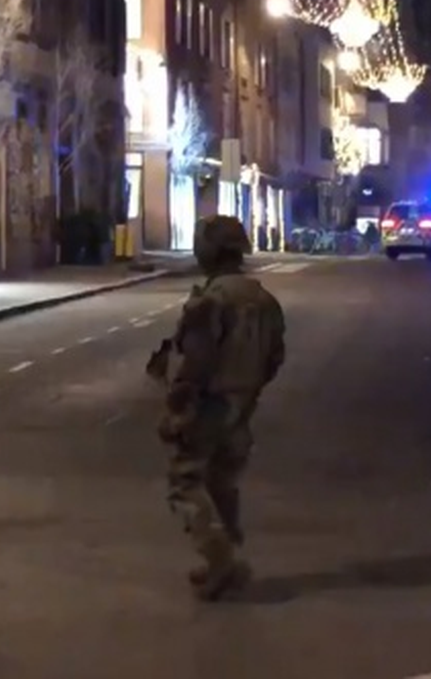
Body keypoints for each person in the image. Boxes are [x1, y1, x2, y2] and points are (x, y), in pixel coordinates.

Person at [146, 215, 286, 600]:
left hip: (210, 404)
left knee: (185, 483)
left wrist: (178, 408)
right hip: (242, 403)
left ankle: (219, 557)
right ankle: (227, 558)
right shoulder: (263, 299)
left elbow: (196, 361)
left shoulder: (211, 301)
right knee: (223, 480)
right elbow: (275, 355)